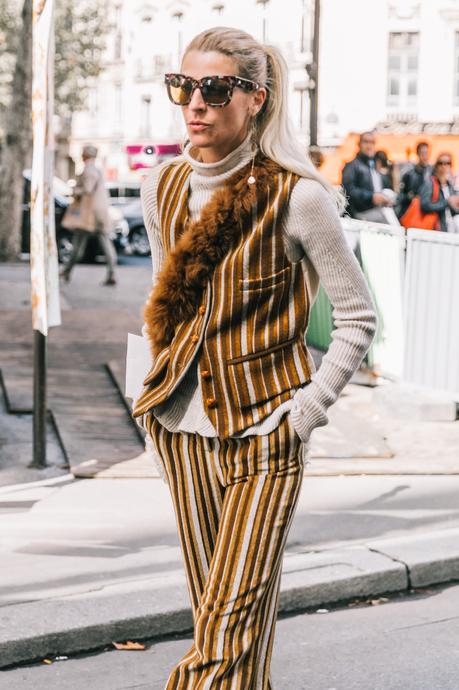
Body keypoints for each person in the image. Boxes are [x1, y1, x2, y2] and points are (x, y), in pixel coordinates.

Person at [132, 27, 377, 688]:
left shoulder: (299, 198)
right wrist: (151, 411)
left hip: (264, 435)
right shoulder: (163, 187)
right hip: (182, 436)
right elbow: (167, 308)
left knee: (224, 632)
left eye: (215, 89)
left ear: (255, 100)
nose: (196, 103)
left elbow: (357, 317)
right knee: (228, 625)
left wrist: (305, 411)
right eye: (183, 86)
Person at [60, 144, 117, 285]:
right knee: (105, 242)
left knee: (79, 244)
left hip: (90, 214)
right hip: (99, 212)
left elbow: (87, 189)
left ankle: (67, 271)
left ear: (86, 155)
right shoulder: (96, 170)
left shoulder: (89, 170)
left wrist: (74, 190)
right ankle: (111, 273)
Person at [341, 131, 396, 223]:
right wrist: (371, 197)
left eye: (372, 143)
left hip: (377, 209)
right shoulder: (352, 166)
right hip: (361, 213)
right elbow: (348, 190)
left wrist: (384, 198)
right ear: (359, 144)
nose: (369, 146)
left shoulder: (373, 165)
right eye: (366, 142)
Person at [419, 153, 459, 232]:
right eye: (441, 163)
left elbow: (452, 210)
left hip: (451, 227)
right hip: (436, 228)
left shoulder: (450, 186)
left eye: (448, 163)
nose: (444, 166)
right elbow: (424, 206)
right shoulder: (430, 184)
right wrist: (447, 202)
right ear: (436, 166)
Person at [397, 141, 432, 218]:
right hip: (411, 213)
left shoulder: (433, 173)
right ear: (417, 154)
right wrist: (410, 197)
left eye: (426, 153)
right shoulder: (408, 174)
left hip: (427, 214)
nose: (425, 156)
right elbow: (400, 196)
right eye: (422, 153)